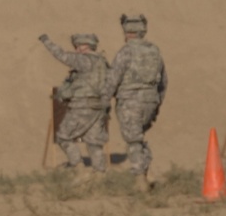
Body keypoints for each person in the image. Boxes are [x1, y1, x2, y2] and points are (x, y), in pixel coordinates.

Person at [101, 14, 168, 191]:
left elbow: (113, 78)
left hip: (130, 102)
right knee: (139, 138)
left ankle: (140, 179)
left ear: (127, 32)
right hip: (150, 101)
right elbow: (164, 82)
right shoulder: (155, 51)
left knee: (133, 140)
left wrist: (105, 100)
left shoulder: (126, 51)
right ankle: (146, 173)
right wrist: (157, 102)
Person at [39, 32, 110, 181]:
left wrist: (47, 42)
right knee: (94, 142)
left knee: (63, 136)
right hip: (99, 106)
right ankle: (100, 174)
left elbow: (62, 55)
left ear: (87, 46)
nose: (77, 49)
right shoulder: (102, 62)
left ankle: (79, 168)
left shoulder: (84, 60)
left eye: (79, 46)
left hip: (82, 105)